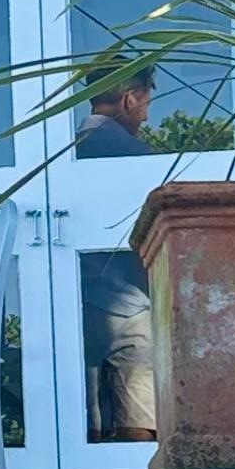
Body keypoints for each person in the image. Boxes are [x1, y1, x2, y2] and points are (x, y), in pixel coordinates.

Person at [76, 60, 160, 443]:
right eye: (146, 104)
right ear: (129, 99)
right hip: (120, 298)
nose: (145, 116)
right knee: (138, 367)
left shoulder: (73, 145)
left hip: (81, 294)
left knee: (90, 398)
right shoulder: (127, 151)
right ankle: (137, 462)